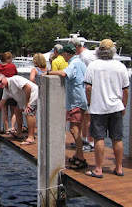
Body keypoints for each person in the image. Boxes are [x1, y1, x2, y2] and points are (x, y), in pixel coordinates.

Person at [84, 39, 129, 178]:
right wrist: (124, 106)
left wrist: (90, 103)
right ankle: (119, 168)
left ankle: (98, 169)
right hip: (116, 107)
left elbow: (88, 87)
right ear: (113, 51)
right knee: (117, 138)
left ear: (99, 50)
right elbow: (125, 90)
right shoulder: (120, 66)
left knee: (99, 138)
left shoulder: (93, 66)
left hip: (98, 108)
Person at [44, 45, 88, 170]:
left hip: (76, 102)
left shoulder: (74, 63)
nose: (63, 57)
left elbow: (64, 73)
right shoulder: (80, 62)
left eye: (64, 55)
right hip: (78, 100)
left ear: (67, 54)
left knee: (74, 130)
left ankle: (81, 158)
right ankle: (78, 154)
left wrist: (48, 72)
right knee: (76, 128)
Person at [0, 74, 38, 145]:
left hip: (34, 95)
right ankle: (19, 133)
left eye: (1, 82)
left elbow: (28, 87)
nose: (0, 84)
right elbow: (0, 104)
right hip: (23, 100)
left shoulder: (14, 80)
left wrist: (27, 103)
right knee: (17, 110)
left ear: (4, 78)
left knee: (29, 112)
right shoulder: (6, 90)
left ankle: (31, 138)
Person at [71, 38, 96, 152]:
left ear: (76, 47)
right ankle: (85, 139)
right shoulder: (81, 56)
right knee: (84, 115)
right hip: (84, 89)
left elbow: (91, 73)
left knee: (88, 116)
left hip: (89, 89)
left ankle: (91, 142)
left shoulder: (85, 56)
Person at [0, 52, 18, 134]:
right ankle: (13, 127)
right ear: (7, 59)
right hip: (10, 88)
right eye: (10, 58)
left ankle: (7, 129)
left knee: (4, 110)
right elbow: (15, 74)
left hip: (1, 88)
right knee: (13, 110)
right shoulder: (12, 66)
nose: (11, 60)